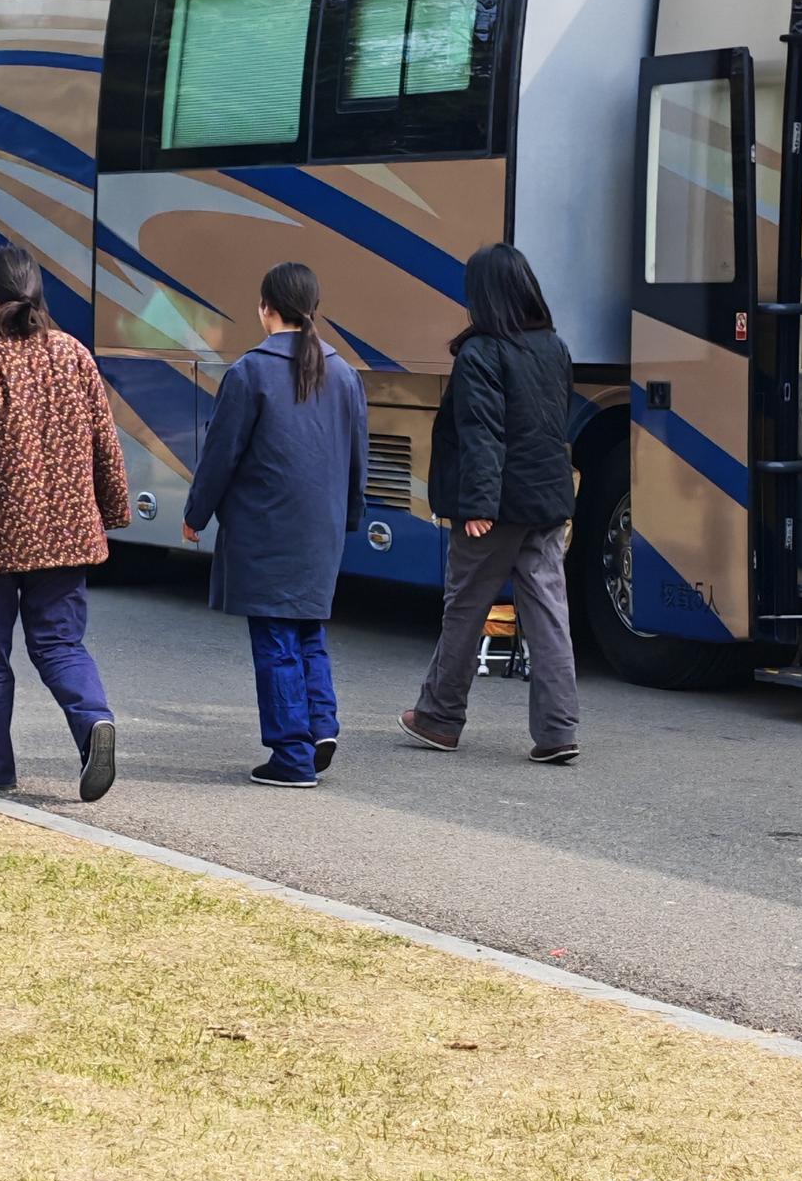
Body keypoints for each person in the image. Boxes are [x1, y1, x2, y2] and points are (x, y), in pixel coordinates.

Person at [0, 245, 130, 801]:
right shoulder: (75, 355)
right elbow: (104, 444)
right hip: (68, 535)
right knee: (62, 644)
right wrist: (111, 510)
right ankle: (93, 722)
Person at [183, 262, 368, 788]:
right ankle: (319, 726)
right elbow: (360, 459)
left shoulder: (249, 373)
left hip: (265, 528)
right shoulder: (345, 374)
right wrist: (347, 518)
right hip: (321, 529)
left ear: (267, 309)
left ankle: (290, 754)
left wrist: (196, 514)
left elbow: (222, 454)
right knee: (308, 629)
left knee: (275, 639)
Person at [399, 243, 580, 764]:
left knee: (466, 607)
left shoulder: (482, 352)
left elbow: (483, 433)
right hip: (546, 500)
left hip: (496, 505)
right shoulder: (553, 347)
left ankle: (438, 718)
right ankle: (557, 731)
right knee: (548, 613)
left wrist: (478, 504)